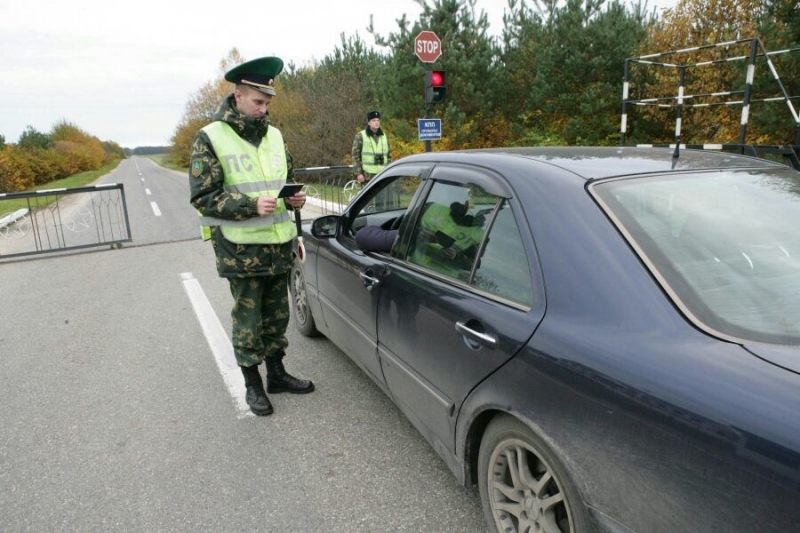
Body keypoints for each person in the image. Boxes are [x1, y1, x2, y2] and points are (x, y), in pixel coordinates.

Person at [188, 56, 314, 417]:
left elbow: (284, 179)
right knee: (249, 323)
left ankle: (276, 375)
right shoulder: (210, 137)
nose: (263, 110)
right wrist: (248, 204)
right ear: (238, 95)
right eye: (258, 102)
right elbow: (203, 196)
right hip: (241, 250)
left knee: (277, 317)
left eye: (267, 103)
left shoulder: (274, 136)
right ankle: (253, 385)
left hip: (278, 245)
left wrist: (294, 198)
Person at [351, 110, 391, 183]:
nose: (376, 122)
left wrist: (389, 171)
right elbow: (355, 156)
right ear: (369, 122)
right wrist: (358, 173)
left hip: (382, 175)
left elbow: (389, 156)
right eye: (374, 120)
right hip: (367, 176)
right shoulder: (361, 136)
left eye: (378, 120)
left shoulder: (384, 136)